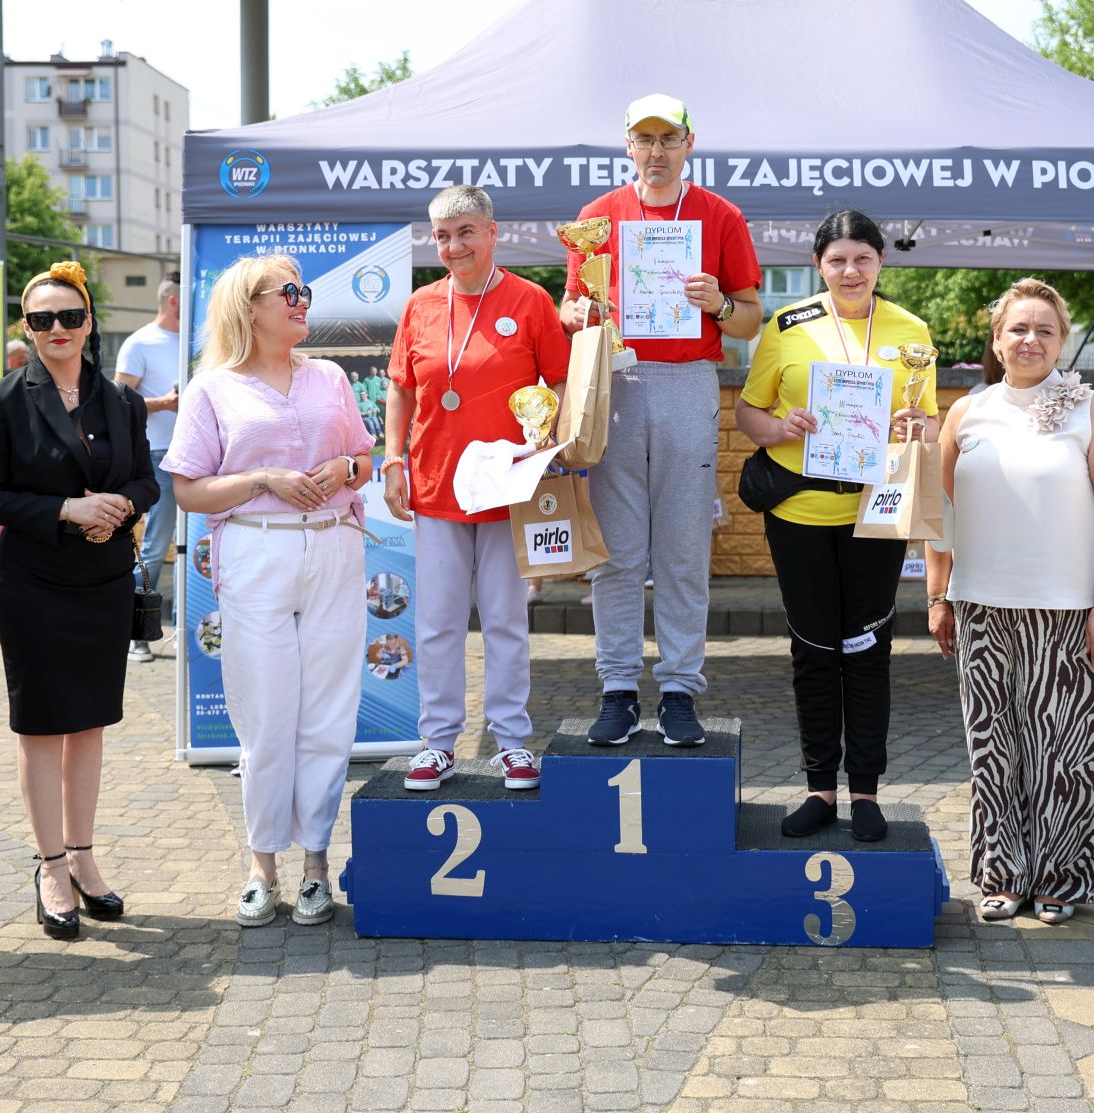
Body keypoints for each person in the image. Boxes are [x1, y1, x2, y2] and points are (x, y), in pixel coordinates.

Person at [163, 253, 373, 929]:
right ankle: (262, 866)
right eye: (288, 290)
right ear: (247, 307)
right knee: (265, 714)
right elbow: (188, 489)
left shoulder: (331, 376)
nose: (301, 299)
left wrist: (345, 467)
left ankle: (315, 864)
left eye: (303, 289)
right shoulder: (211, 388)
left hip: (334, 543)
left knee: (329, 713)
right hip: (256, 549)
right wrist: (263, 479)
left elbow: (364, 460)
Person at [925, 278, 1094, 924]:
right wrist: (937, 595)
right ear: (996, 339)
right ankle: (1001, 871)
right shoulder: (966, 412)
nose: (1030, 340)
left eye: (1045, 329)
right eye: (1017, 328)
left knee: (1066, 752)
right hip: (980, 608)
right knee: (994, 748)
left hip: (1068, 611)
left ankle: (1062, 879)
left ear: (1062, 341)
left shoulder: (1091, 409)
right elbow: (938, 512)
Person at [561, 94, 762, 746]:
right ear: (628, 146)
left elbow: (749, 319)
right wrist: (576, 314)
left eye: (667, 139)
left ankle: (679, 689)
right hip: (615, 381)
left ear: (688, 143)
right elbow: (569, 307)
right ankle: (618, 688)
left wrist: (718, 303)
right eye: (644, 140)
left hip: (686, 380)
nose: (655, 152)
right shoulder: (597, 217)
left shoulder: (719, 215)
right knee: (617, 550)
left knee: (681, 547)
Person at [0, 261, 157, 941]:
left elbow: (147, 480)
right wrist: (66, 509)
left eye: (70, 316)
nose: (58, 329)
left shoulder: (122, 401)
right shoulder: (3, 398)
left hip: (104, 582)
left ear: (89, 322)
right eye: (43, 319)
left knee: (90, 725)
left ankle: (83, 856)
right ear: (26, 327)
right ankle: (50, 865)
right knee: (44, 726)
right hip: (37, 584)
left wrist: (120, 505)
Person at [735, 210, 937, 841]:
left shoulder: (911, 330)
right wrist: (780, 427)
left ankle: (866, 792)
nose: (851, 271)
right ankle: (820, 788)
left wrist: (916, 427)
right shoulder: (786, 326)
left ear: (881, 262)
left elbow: (930, 421)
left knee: (869, 653)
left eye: (862, 258)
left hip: (875, 516)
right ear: (818, 266)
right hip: (799, 514)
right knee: (814, 652)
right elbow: (747, 412)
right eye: (837, 260)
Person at [383, 185, 568, 792]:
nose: (454, 246)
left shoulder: (530, 300)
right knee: (437, 622)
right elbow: (401, 390)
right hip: (437, 484)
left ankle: (511, 741)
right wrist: (392, 460)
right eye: (442, 236)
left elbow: (560, 383)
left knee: (505, 620)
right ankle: (437, 743)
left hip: (506, 487)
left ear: (492, 232)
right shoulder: (421, 305)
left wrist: (547, 441)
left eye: (465, 232)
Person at [115, 275, 184, 662]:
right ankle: (135, 634)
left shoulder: (199, 340)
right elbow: (119, 402)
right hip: (159, 453)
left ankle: (189, 632)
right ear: (173, 300)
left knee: (201, 545)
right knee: (158, 543)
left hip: (204, 455)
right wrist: (166, 402)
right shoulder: (140, 342)